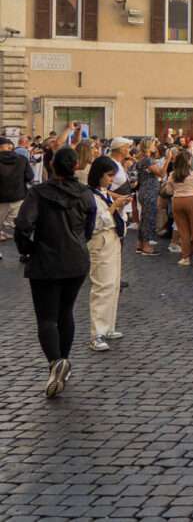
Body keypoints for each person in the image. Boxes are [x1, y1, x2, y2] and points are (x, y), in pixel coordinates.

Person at [14, 146, 95, 398]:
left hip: (46, 259)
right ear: (76, 166)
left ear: (51, 166)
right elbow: (89, 228)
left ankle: (55, 362)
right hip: (76, 259)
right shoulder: (85, 193)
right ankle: (63, 363)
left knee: (47, 317)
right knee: (65, 312)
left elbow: (23, 224)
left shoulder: (39, 193)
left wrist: (27, 249)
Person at [85, 156, 130, 352]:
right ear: (99, 175)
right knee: (102, 286)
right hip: (101, 241)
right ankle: (97, 334)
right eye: (109, 176)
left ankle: (108, 326)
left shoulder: (103, 192)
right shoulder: (90, 196)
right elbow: (94, 223)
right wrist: (114, 207)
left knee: (113, 285)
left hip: (112, 240)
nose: (111, 179)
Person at [162, 146, 193, 266]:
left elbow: (169, 191)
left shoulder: (172, 175)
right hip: (192, 200)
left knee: (183, 230)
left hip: (177, 201)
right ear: (188, 161)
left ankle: (185, 257)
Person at [0, 135, 35, 250]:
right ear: (11, 147)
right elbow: (30, 176)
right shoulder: (22, 159)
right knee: (20, 226)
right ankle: (25, 251)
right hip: (18, 197)